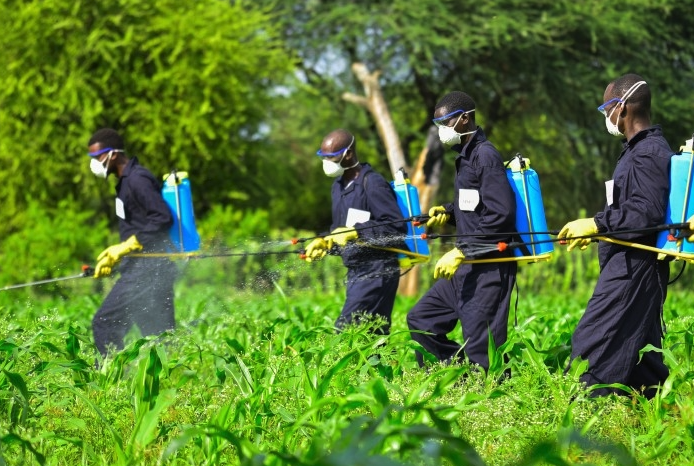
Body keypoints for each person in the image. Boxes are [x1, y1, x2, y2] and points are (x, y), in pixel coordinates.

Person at [558, 74, 672, 399]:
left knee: (590, 344)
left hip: (635, 267)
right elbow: (626, 208)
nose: (604, 115)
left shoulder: (649, 153)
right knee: (642, 353)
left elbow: (645, 213)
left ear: (621, 108)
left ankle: (581, 430)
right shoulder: (635, 151)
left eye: (606, 107)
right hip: (626, 262)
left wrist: (596, 225)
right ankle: (656, 413)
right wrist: (596, 233)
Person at [406, 91, 517, 371]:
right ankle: (458, 372)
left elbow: (501, 213)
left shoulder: (485, 155)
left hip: (488, 267)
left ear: (465, 119)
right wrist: (447, 211)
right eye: (438, 123)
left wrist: (460, 251)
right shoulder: (465, 157)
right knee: (421, 320)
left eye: (446, 122)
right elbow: (476, 207)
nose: (442, 130)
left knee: (482, 349)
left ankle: (490, 394)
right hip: (465, 267)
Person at [304, 129, 407, 334]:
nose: (326, 163)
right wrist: (324, 242)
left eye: (331, 157)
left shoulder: (372, 183)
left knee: (345, 333)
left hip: (378, 270)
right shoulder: (337, 186)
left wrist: (356, 232)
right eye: (323, 157)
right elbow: (340, 231)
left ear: (348, 154)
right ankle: (384, 366)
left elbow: (396, 227)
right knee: (371, 338)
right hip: (356, 272)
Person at [88, 128, 178, 357]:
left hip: (147, 270)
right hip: (148, 269)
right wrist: (118, 258)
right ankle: (172, 382)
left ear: (113, 154)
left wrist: (126, 247)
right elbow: (140, 224)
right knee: (159, 338)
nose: (95, 163)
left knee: (105, 322)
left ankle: (111, 381)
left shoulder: (137, 179)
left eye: (97, 157)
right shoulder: (125, 181)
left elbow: (162, 217)